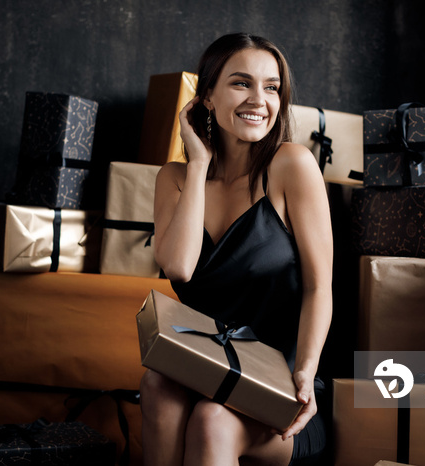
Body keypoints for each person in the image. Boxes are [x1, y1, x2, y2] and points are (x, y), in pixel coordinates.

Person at [140, 32, 333, 466]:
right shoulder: (174, 177)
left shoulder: (292, 166)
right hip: (205, 369)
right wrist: (199, 165)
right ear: (206, 96)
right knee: (156, 385)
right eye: (241, 83)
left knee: (212, 418)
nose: (258, 100)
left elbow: (320, 288)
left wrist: (305, 370)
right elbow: (179, 266)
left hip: (284, 385)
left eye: (271, 87)